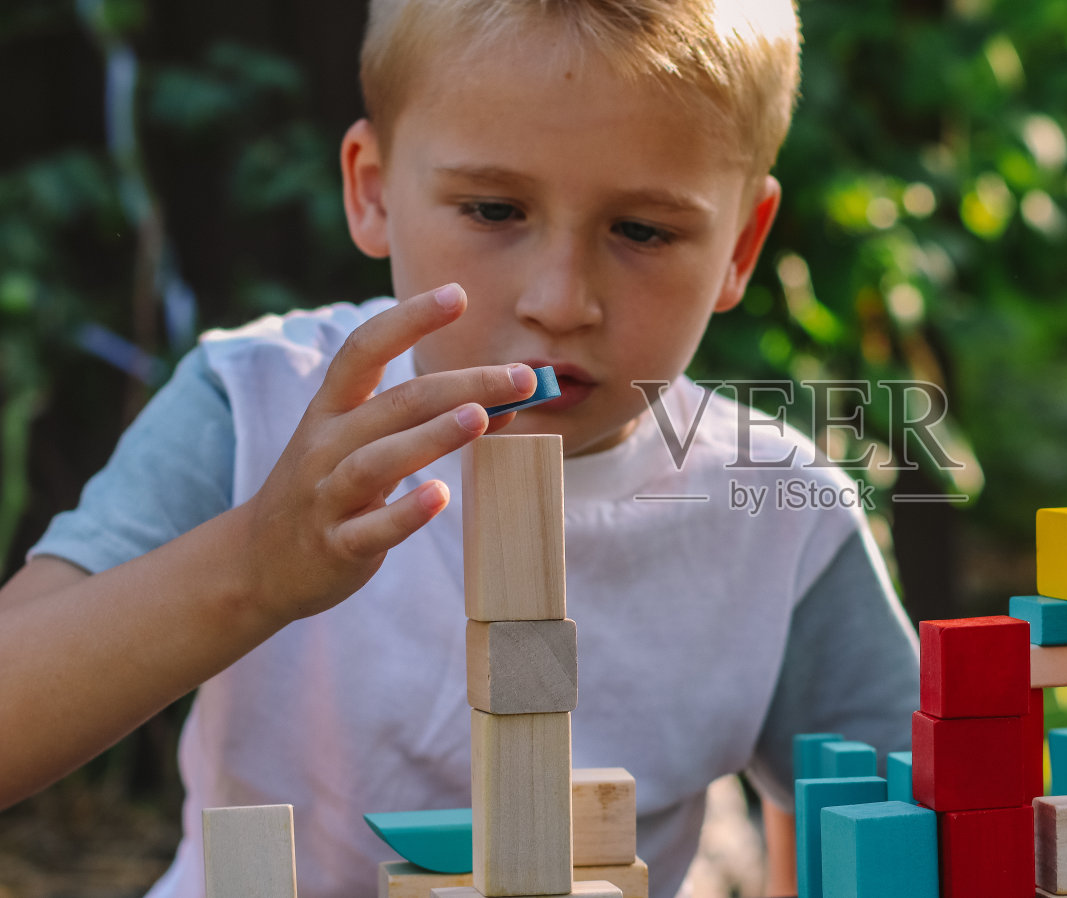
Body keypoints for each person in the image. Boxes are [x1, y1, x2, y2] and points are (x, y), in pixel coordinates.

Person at [0, 1, 921, 895]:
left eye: (642, 230)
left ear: (741, 245)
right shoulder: (254, 405)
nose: (560, 302)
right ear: (371, 191)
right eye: (492, 210)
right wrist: (254, 566)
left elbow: (901, 825)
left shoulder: (777, 512)